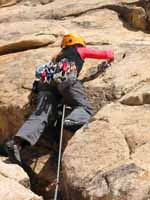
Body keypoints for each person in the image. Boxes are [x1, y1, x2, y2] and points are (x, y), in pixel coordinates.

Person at [1, 33, 114, 165]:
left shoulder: (57, 58)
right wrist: (110, 55)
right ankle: (72, 120)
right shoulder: (78, 49)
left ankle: (16, 143)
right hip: (66, 83)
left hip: (46, 89)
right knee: (85, 107)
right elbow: (104, 54)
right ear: (78, 42)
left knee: (41, 117)